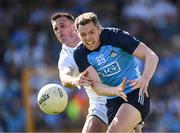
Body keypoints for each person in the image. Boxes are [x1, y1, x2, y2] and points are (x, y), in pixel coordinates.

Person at [74, 12, 159, 132]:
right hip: (113, 99)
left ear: (99, 29)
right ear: (78, 34)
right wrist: (115, 90)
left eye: (92, 32)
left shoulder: (116, 36)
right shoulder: (80, 54)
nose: (88, 38)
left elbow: (151, 55)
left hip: (135, 92)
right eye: (83, 34)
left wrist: (145, 78)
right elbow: (97, 86)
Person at [50, 12, 108, 132]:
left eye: (62, 26)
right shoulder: (65, 56)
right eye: (55, 28)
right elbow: (64, 78)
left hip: (121, 95)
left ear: (73, 26)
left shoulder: (96, 35)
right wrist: (75, 80)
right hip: (100, 104)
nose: (58, 31)